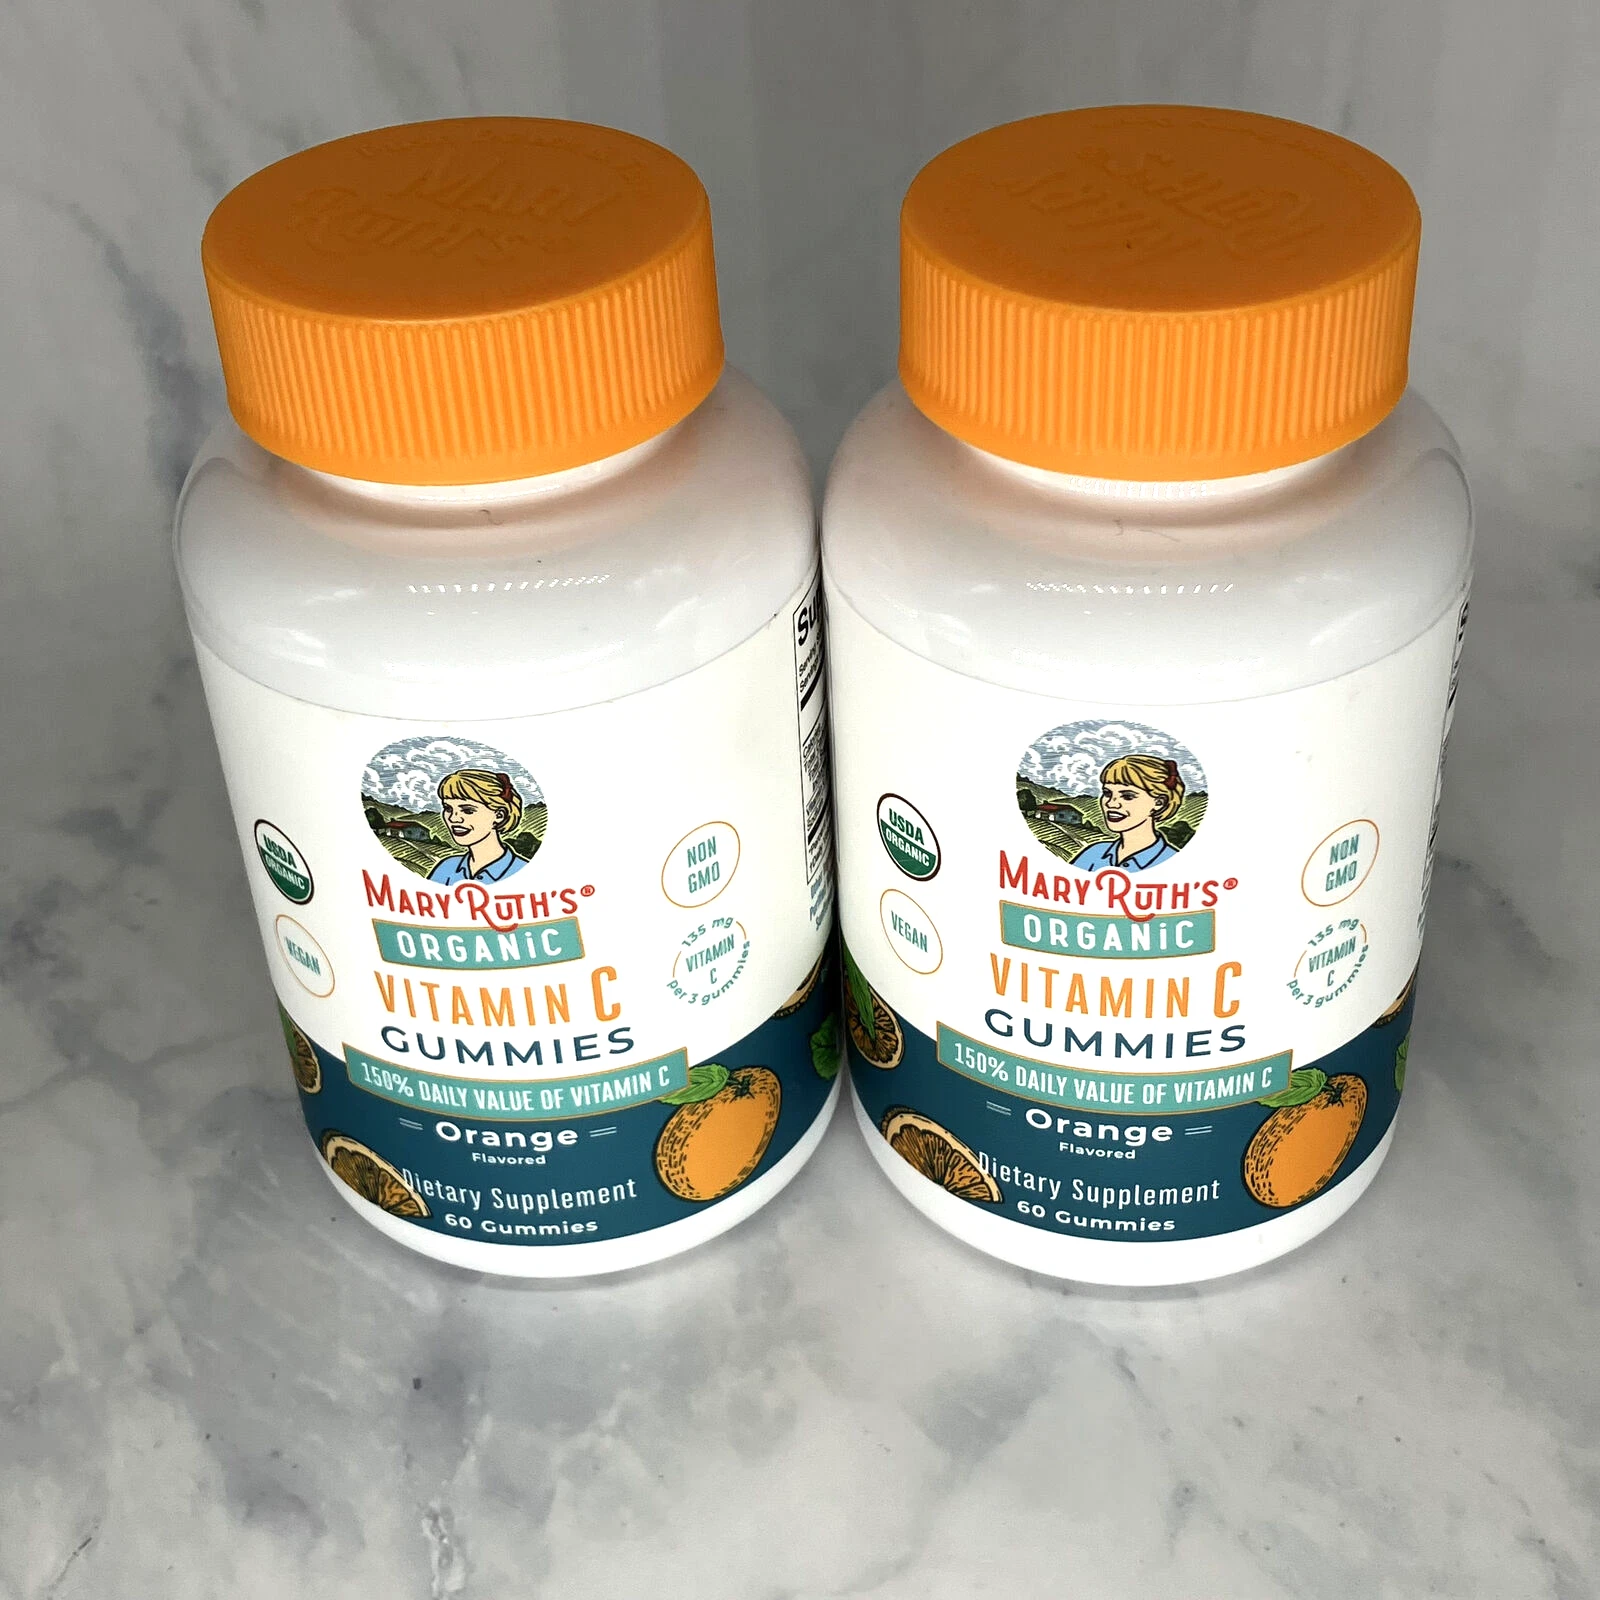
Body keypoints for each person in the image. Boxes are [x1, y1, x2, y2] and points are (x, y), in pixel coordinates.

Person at [1070, 754, 1185, 873]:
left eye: (1127, 796)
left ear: (1159, 802)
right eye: (1107, 793)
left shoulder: (1174, 863)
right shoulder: (1093, 854)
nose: (1111, 803)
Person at [427, 769, 529, 884]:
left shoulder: (524, 871)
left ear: (499, 815)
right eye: (448, 808)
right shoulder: (446, 868)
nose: (453, 818)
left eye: (468, 810)